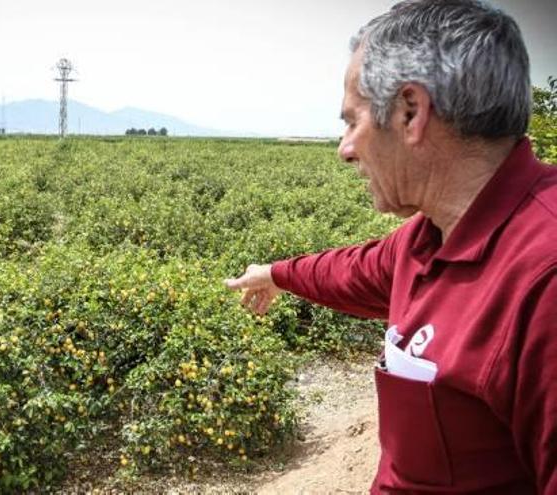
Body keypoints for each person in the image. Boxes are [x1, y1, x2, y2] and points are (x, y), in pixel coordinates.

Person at [225, 1, 556, 493]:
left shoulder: (544, 279)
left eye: (351, 121)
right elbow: (352, 270)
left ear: (410, 112)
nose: (345, 149)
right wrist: (275, 273)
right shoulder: (430, 237)